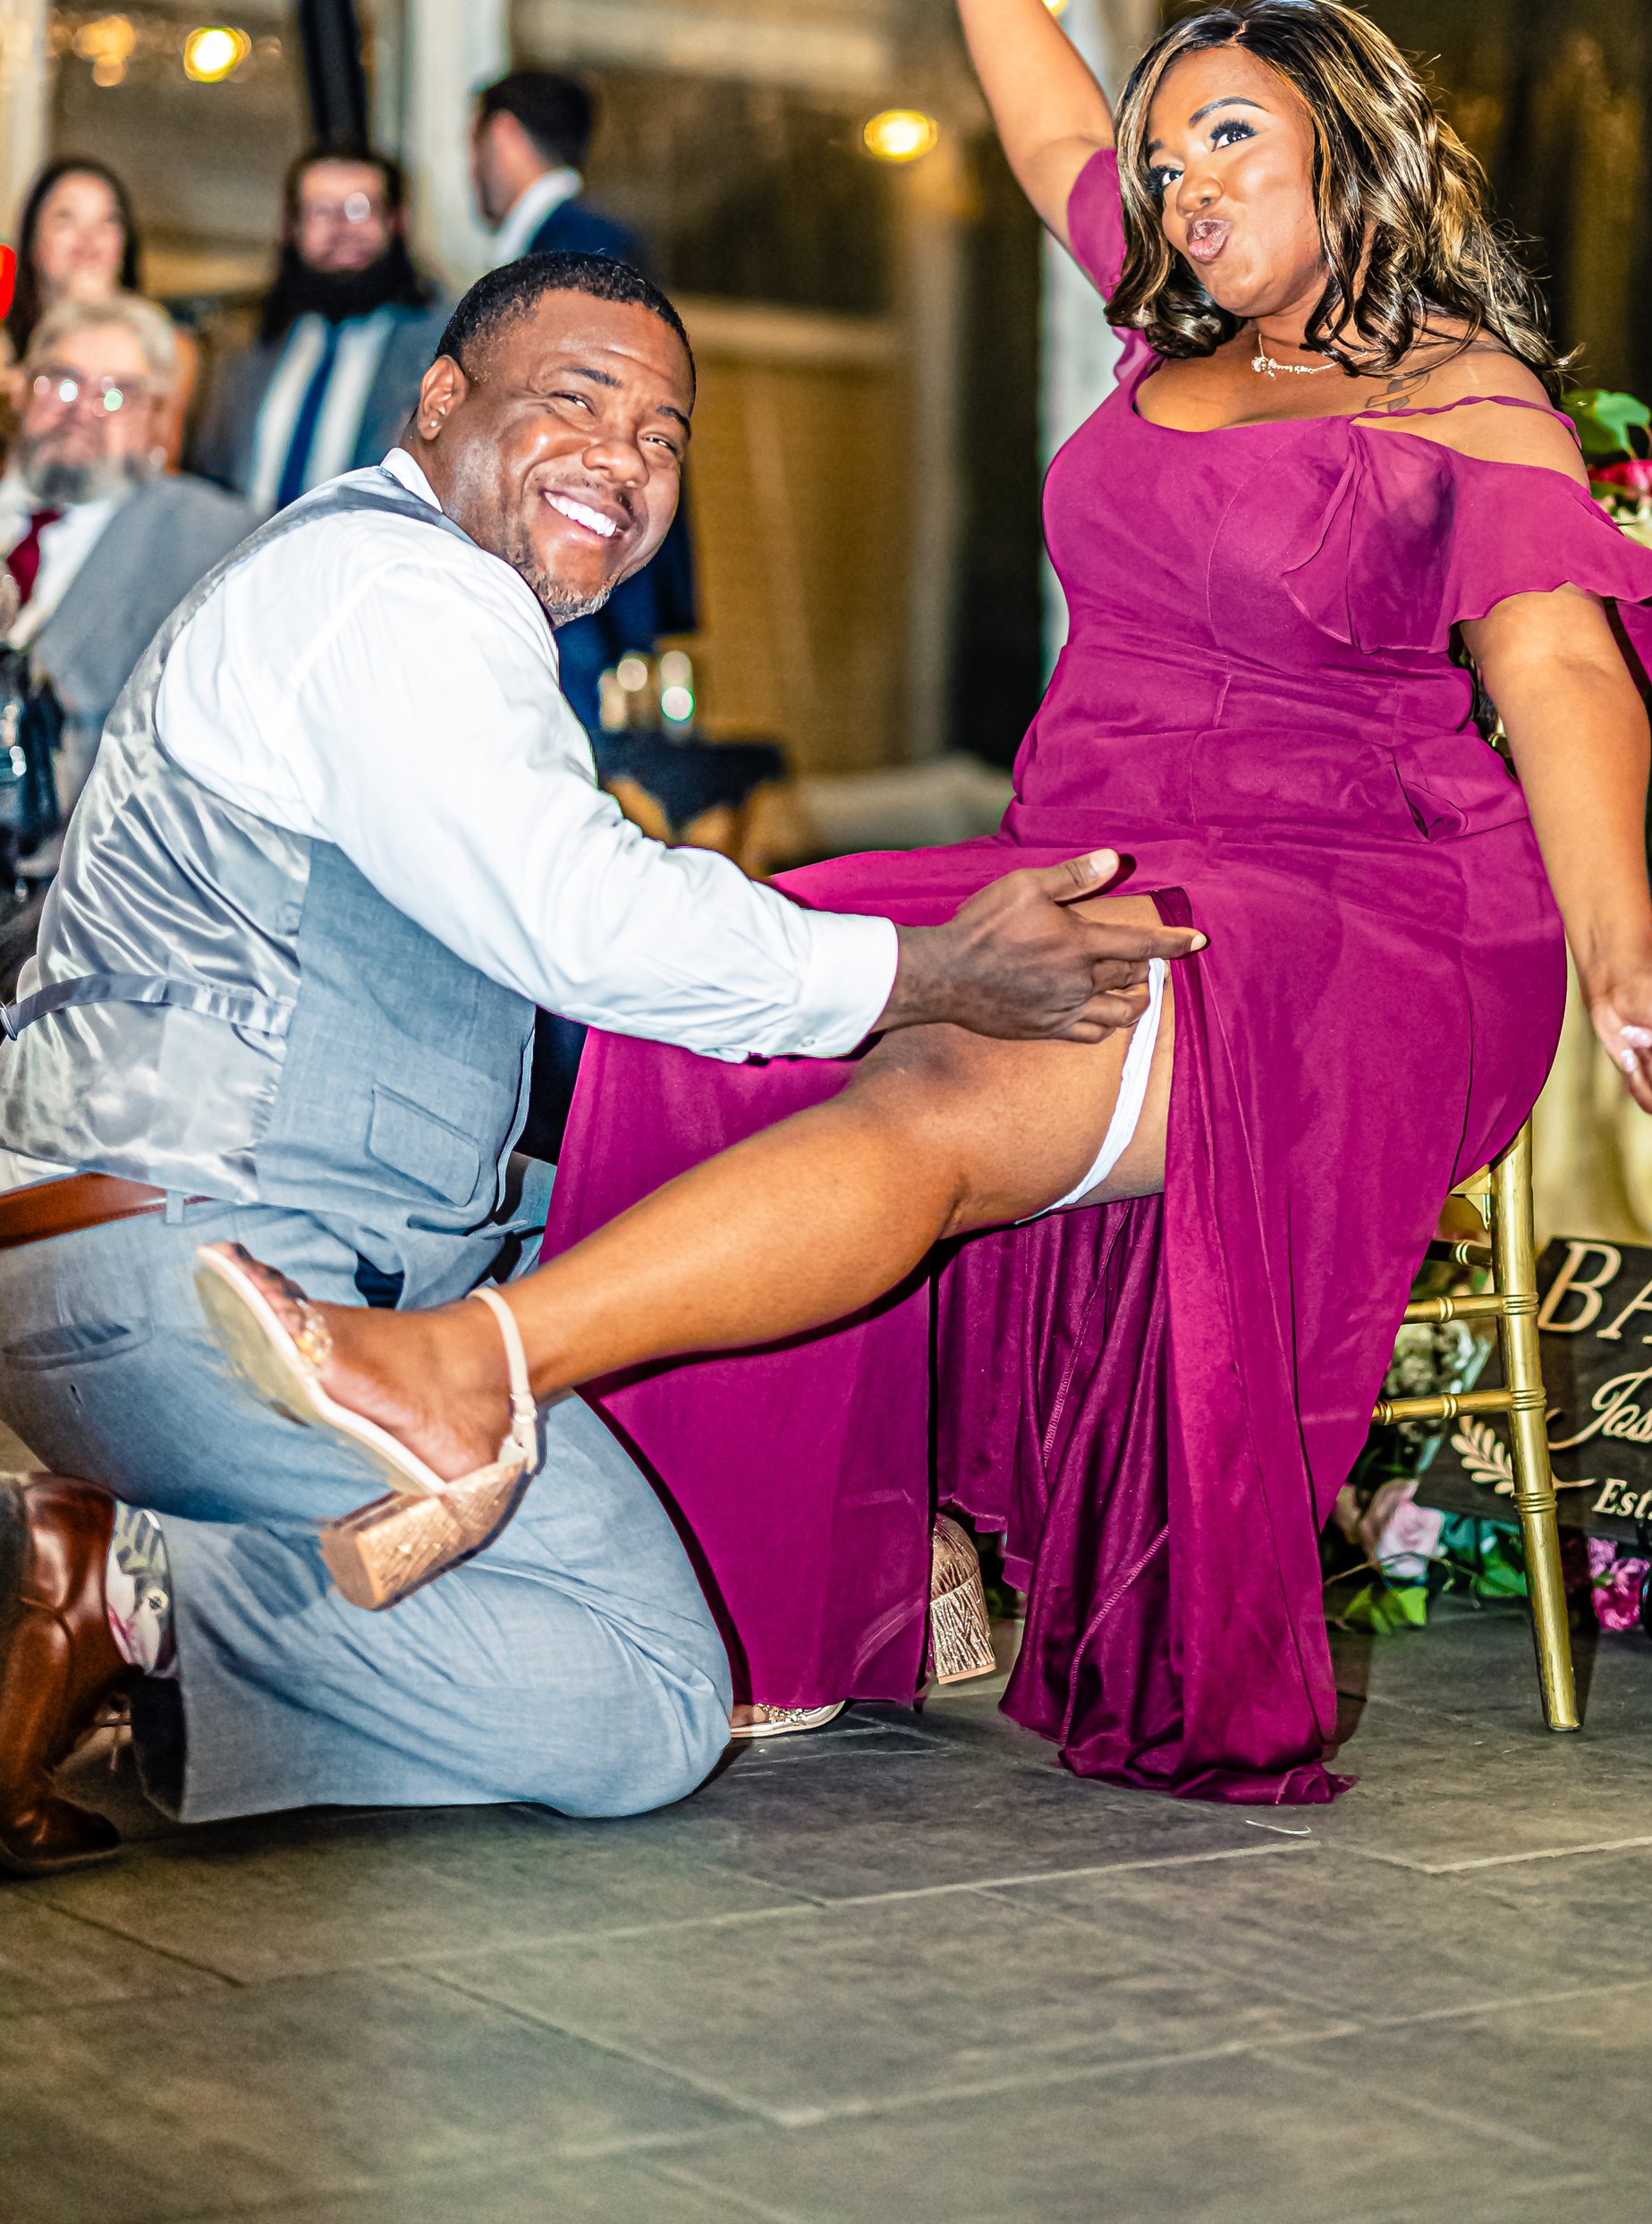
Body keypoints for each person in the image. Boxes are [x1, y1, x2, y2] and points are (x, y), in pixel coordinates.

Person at [185, 0, 1652, 1813]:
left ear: (1349, 156)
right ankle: (731, 1586)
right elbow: (1043, 120)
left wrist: (1625, 950)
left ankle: (477, 1364)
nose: (1180, 186)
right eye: (1170, 157)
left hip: (1352, 901)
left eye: (1231, 143)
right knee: (736, 989)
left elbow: (1560, 665)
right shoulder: (1165, 325)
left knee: (940, 1075)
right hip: (1105, 844)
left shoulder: (1465, 400)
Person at [0, 245, 1194, 1873]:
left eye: (662, 435)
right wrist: (936, 974)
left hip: (154, 1271)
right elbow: (587, 920)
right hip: (211, 1283)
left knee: (652, 1322)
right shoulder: (400, 593)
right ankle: (145, 1596)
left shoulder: (364, 577)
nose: (625, 461)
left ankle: (147, 1601)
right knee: (644, 1702)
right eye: (577, 400)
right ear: (441, 400)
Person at [470, 73, 688, 730]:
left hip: (563, 576)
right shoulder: (585, 242)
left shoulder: (576, 251)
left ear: (500, 134)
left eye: (471, 145)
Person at [0, 295, 257, 814]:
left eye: (116, 394)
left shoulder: (212, 537)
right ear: (25, 392)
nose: (82, 411)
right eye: (62, 382)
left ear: (156, 419)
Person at [193, 149, 447, 509]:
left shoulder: (443, 347)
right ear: (291, 228)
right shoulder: (244, 341)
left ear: (396, 221)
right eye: (320, 211)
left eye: (360, 208)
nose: (342, 229)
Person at [471, 71, 639, 264]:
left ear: (502, 134)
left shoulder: (566, 250)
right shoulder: (598, 235)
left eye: (476, 144)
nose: (472, 168)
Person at [7, 160, 140, 355]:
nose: (89, 236)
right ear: (33, 242)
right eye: (65, 217)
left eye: (107, 220)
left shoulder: (172, 355)